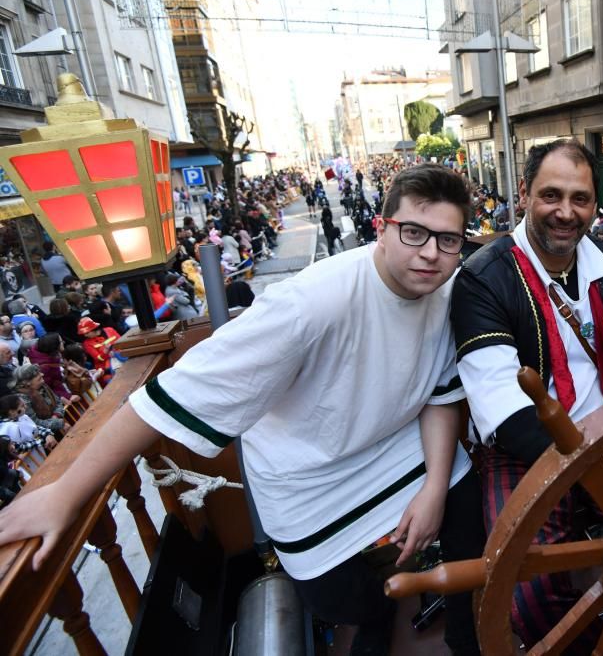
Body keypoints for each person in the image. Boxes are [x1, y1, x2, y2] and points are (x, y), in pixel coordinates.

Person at [0, 164, 485, 656]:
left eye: (447, 240)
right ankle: (374, 618)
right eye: (414, 232)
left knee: (468, 503)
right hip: (307, 479)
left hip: (391, 448)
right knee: (340, 601)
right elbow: (170, 398)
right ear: (381, 230)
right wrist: (66, 495)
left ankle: (470, 639)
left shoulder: (447, 289)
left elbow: (440, 396)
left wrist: (434, 489)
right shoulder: (309, 304)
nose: (431, 252)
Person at [451, 140, 603, 652]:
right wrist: (601, 467)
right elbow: (506, 415)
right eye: (551, 195)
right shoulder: (482, 280)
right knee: (527, 590)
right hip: (527, 446)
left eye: (580, 199)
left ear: (595, 202)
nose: (566, 213)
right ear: (524, 194)